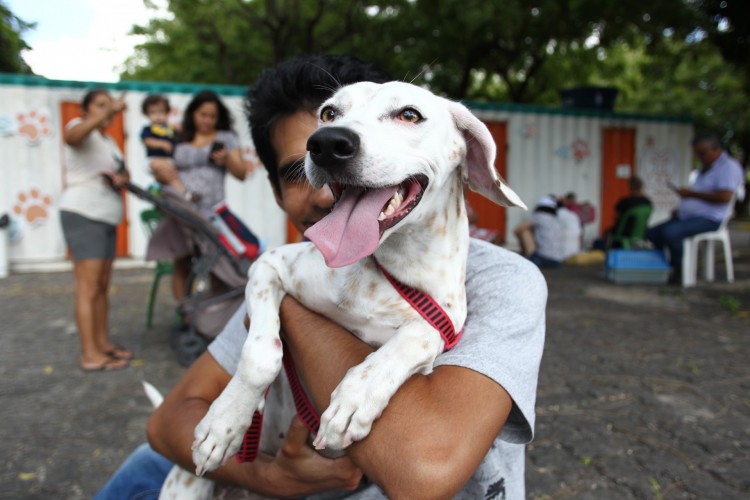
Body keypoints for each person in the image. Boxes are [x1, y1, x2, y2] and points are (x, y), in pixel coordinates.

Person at [95, 54, 546, 499]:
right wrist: (271, 479)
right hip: (263, 470)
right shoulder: (298, 270)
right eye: (303, 167)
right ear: (274, 192)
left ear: (460, 151)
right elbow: (168, 422)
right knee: (145, 463)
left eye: (404, 117)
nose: (330, 187)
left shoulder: (503, 281)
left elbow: (422, 473)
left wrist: (292, 307)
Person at [147, 90, 246, 300]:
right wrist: (159, 171)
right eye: (203, 114)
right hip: (181, 210)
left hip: (211, 212)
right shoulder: (179, 135)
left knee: (218, 263)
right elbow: (157, 159)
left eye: (212, 116)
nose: (207, 120)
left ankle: (215, 314)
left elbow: (241, 173)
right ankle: (185, 315)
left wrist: (227, 158)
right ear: (192, 113)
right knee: (181, 261)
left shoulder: (226, 137)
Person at [60, 89, 132, 372]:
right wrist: (108, 110)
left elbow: (120, 172)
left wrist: (123, 178)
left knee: (101, 287)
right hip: (83, 213)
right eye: (100, 105)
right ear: (86, 109)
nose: (108, 110)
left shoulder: (108, 140)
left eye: (109, 104)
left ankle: (101, 344)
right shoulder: (77, 128)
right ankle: (89, 354)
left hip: (106, 215)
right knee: (88, 288)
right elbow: (72, 138)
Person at [646, 132, 743, 281]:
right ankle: (664, 267)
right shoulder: (704, 169)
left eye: (702, 153)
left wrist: (691, 195)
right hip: (688, 217)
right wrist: (681, 209)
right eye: (697, 153)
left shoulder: (728, 167)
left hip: (711, 218)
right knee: (652, 233)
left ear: (715, 149)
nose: (699, 157)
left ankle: (678, 270)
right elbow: (698, 195)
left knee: (671, 232)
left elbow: (724, 197)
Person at [140, 94, 197, 201]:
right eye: (153, 112)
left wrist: (180, 130)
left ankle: (183, 194)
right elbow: (147, 141)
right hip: (153, 159)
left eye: (160, 112)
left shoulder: (171, 129)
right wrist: (162, 144)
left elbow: (182, 140)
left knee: (172, 176)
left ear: (167, 113)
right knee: (164, 168)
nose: (157, 116)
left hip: (169, 161)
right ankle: (160, 189)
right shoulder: (148, 129)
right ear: (147, 114)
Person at [593, 176, 652, 250]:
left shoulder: (624, 202)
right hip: (641, 233)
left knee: (599, 240)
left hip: (623, 234)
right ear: (642, 187)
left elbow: (616, 218)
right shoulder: (648, 203)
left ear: (629, 187)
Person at [513, 195, 565, 267]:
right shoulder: (556, 219)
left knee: (524, 231)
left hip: (541, 259)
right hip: (557, 262)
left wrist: (523, 247)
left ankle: (527, 256)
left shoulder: (539, 216)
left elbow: (517, 230)